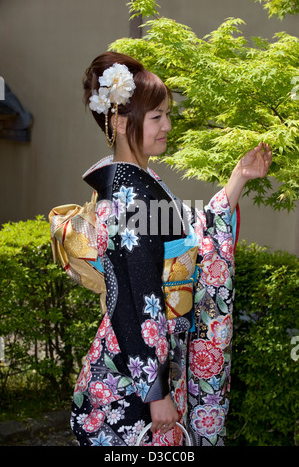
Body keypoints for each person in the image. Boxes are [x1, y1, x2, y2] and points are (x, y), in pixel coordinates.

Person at [50, 51, 272, 446]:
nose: (168, 125)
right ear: (119, 123)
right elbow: (136, 298)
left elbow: (194, 234)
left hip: (149, 360)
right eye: (157, 117)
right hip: (136, 376)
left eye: (166, 114)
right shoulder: (128, 195)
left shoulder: (142, 183)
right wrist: (157, 394)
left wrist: (239, 177)